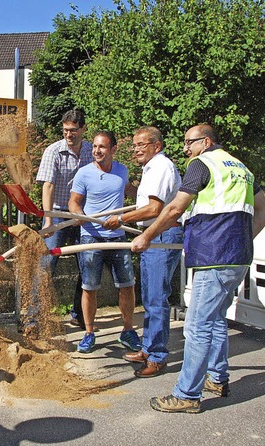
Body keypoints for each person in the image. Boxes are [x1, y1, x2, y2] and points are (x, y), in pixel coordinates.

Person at [132, 124, 265, 413]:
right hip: (238, 257)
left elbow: (174, 209)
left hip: (213, 257)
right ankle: (217, 378)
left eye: (188, 143)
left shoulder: (201, 163)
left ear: (205, 142)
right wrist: (243, 238)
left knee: (197, 325)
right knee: (216, 319)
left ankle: (187, 394)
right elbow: (263, 207)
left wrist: (146, 235)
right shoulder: (241, 167)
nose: (184, 149)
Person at [103, 126, 183, 377]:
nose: (136, 149)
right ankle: (148, 349)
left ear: (157, 146)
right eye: (135, 145)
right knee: (149, 297)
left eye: (142, 145)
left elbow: (153, 209)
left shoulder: (161, 167)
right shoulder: (151, 168)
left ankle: (157, 357)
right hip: (153, 235)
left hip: (162, 234)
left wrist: (121, 218)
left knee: (157, 298)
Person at [68, 130, 141, 353]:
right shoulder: (84, 173)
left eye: (102, 147)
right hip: (91, 237)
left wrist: (147, 196)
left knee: (127, 285)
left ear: (113, 150)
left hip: (118, 236)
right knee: (89, 287)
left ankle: (128, 331)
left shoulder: (121, 171)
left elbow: (129, 191)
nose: (97, 151)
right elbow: (74, 201)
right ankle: (89, 333)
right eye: (94, 147)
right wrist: (78, 215)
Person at [36, 108, 93, 329]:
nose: (69, 135)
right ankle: (34, 317)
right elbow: (47, 186)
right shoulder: (53, 151)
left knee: (87, 265)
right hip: (58, 215)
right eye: (66, 130)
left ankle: (78, 313)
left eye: (74, 131)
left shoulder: (90, 151)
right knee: (46, 264)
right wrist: (49, 220)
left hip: (82, 217)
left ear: (83, 129)